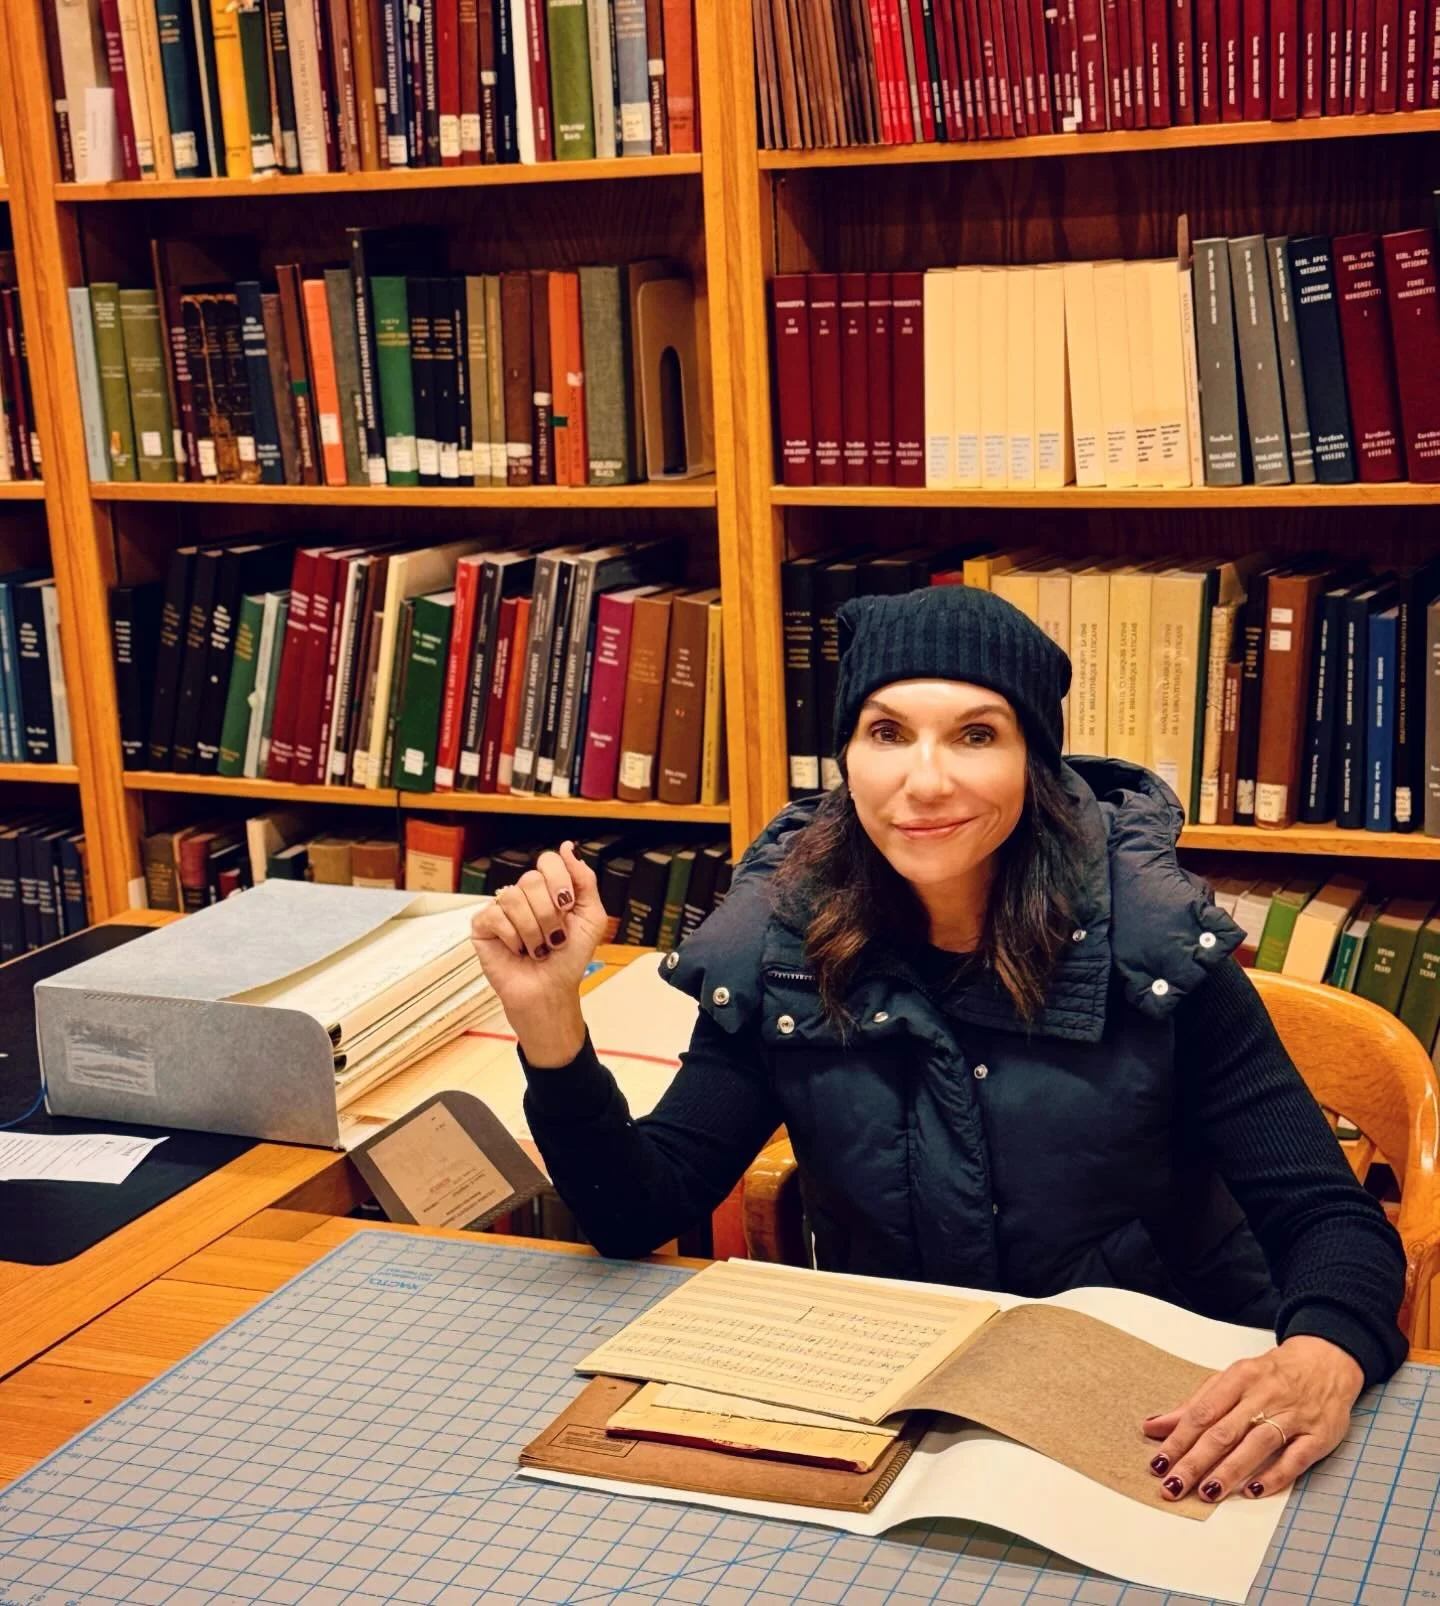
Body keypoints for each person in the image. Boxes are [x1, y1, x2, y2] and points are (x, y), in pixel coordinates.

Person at [470, 583, 1407, 1510]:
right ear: (846, 757)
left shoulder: (1154, 952)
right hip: (898, 1414)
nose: (924, 782)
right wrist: (549, 1022)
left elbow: (1327, 1217)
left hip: (1156, 1411)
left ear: (1034, 760)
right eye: (887, 732)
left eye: (975, 735)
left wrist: (1323, 1354)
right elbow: (640, 1210)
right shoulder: (783, 946)